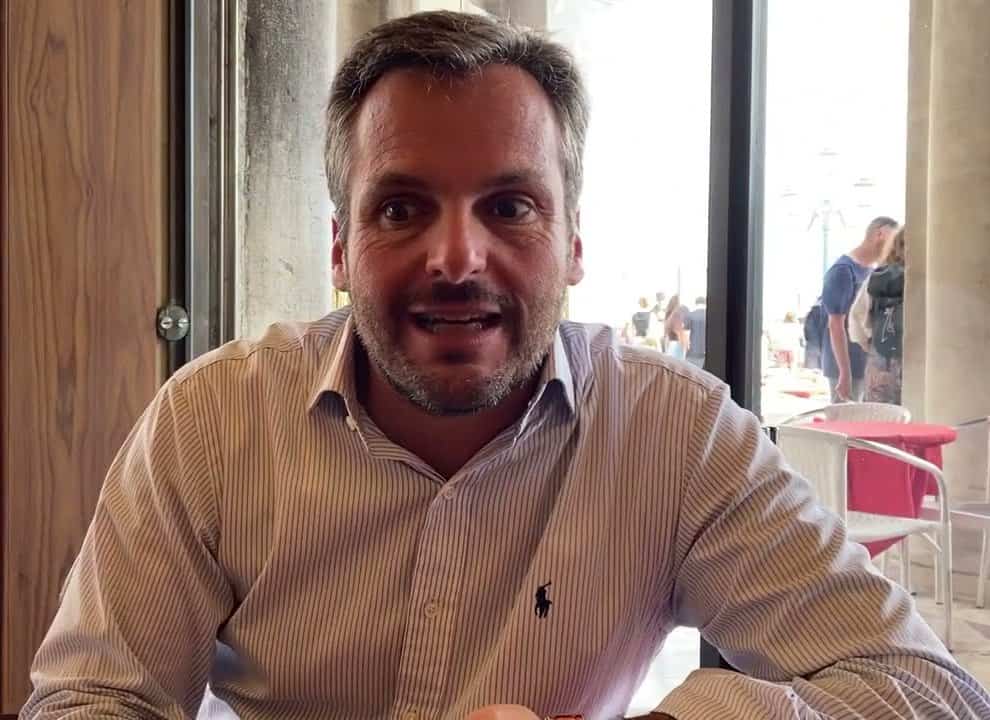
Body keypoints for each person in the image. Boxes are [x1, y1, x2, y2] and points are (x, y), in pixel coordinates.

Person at [23, 11, 989, 720]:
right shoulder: (212, 421)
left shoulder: (679, 435)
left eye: (510, 206)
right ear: (340, 248)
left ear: (573, 245)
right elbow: (90, 700)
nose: (457, 258)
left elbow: (925, 691)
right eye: (400, 208)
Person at [820, 216, 899, 402]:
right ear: (880, 234)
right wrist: (844, 372)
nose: (894, 246)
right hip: (847, 366)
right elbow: (835, 324)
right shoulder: (842, 271)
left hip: (865, 364)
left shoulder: (871, 271)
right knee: (846, 416)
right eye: (893, 239)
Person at [850, 227, 906, 404]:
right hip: (916, 359)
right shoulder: (926, 279)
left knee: (881, 414)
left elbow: (856, 317)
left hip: (881, 359)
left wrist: (870, 343)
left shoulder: (878, 277)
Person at [663, 294, 689, 360]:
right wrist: (685, 344)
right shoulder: (676, 315)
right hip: (677, 346)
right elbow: (678, 331)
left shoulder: (668, 315)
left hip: (670, 345)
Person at [683, 296, 706, 368]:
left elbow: (686, 333)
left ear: (696, 303)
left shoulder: (690, 315)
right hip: (705, 351)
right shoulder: (710, 315)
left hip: (692, 350)